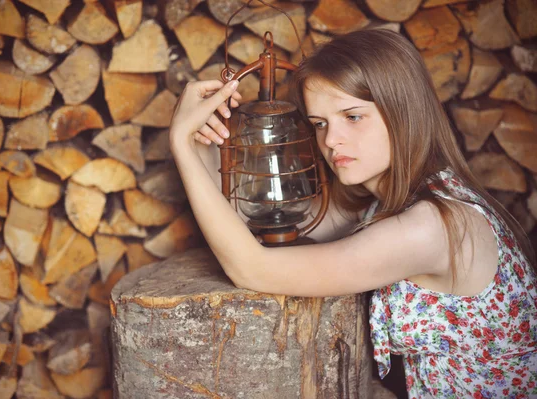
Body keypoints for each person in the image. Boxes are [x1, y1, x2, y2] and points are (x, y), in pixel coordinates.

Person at [168, 29, 537, 397]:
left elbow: (251, 267)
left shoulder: (431, 228)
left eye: (353, 117)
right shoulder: (385, 201)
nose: (330, 140)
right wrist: (203, 140)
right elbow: (257, 221)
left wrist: (180, 143)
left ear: (402, 110)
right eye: (319, 123)